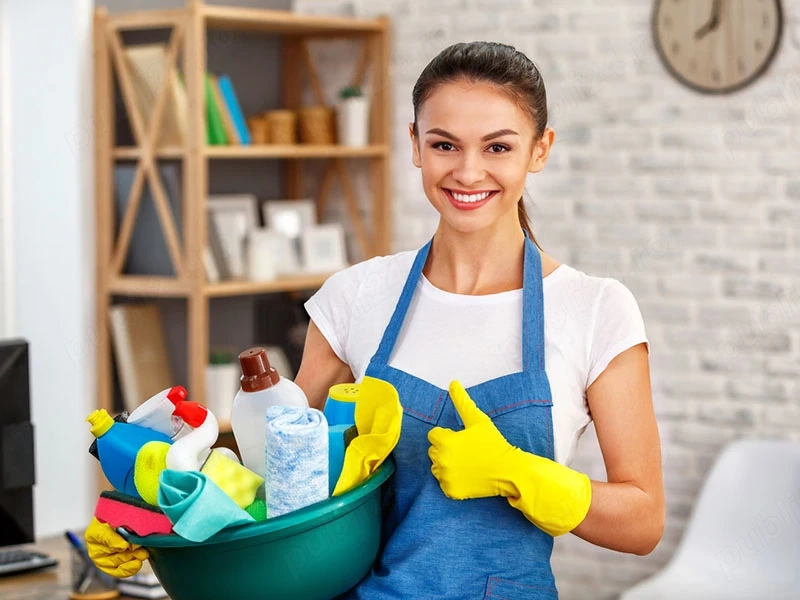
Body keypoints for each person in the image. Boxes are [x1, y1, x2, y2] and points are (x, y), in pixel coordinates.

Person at [295, 41, 665, 599]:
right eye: (445, 144)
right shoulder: (355, 296)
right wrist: (162, 517)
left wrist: (520, 474)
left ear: (540, 150)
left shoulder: (594, 310)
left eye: (498, 146)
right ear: (415, 144)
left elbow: (643, 521)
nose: (468, 173)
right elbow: (282, 475)